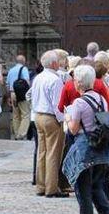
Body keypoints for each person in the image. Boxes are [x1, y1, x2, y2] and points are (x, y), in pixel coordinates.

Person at [63, 65, 109, 214]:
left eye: (75, 80)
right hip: (101, 147)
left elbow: (73, 129)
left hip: (85, 149)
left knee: (84, 193)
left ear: (79, 83)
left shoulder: (79, 103)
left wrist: (68, 118)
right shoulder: (101, 99)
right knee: (96, 188)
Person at [31, 50, 67, 198]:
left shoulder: (38, 77)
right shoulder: (55, 79)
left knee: (42, 152)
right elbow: (57, 104)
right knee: (53, 153)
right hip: (50, 117)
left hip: (38, 115)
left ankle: (41, 186)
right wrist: (62, 120)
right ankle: (51, 188)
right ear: (53, 63)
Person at [7, 54, 31, 140]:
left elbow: (8, 84)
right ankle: (21, 134)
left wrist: (9, 96)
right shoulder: (24, 69)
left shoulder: (11, 70)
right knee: (25, 114)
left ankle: (16, 133)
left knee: (15, 115)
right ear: (23, 61)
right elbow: (27, 81)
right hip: (22, 93)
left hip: (13, 93)